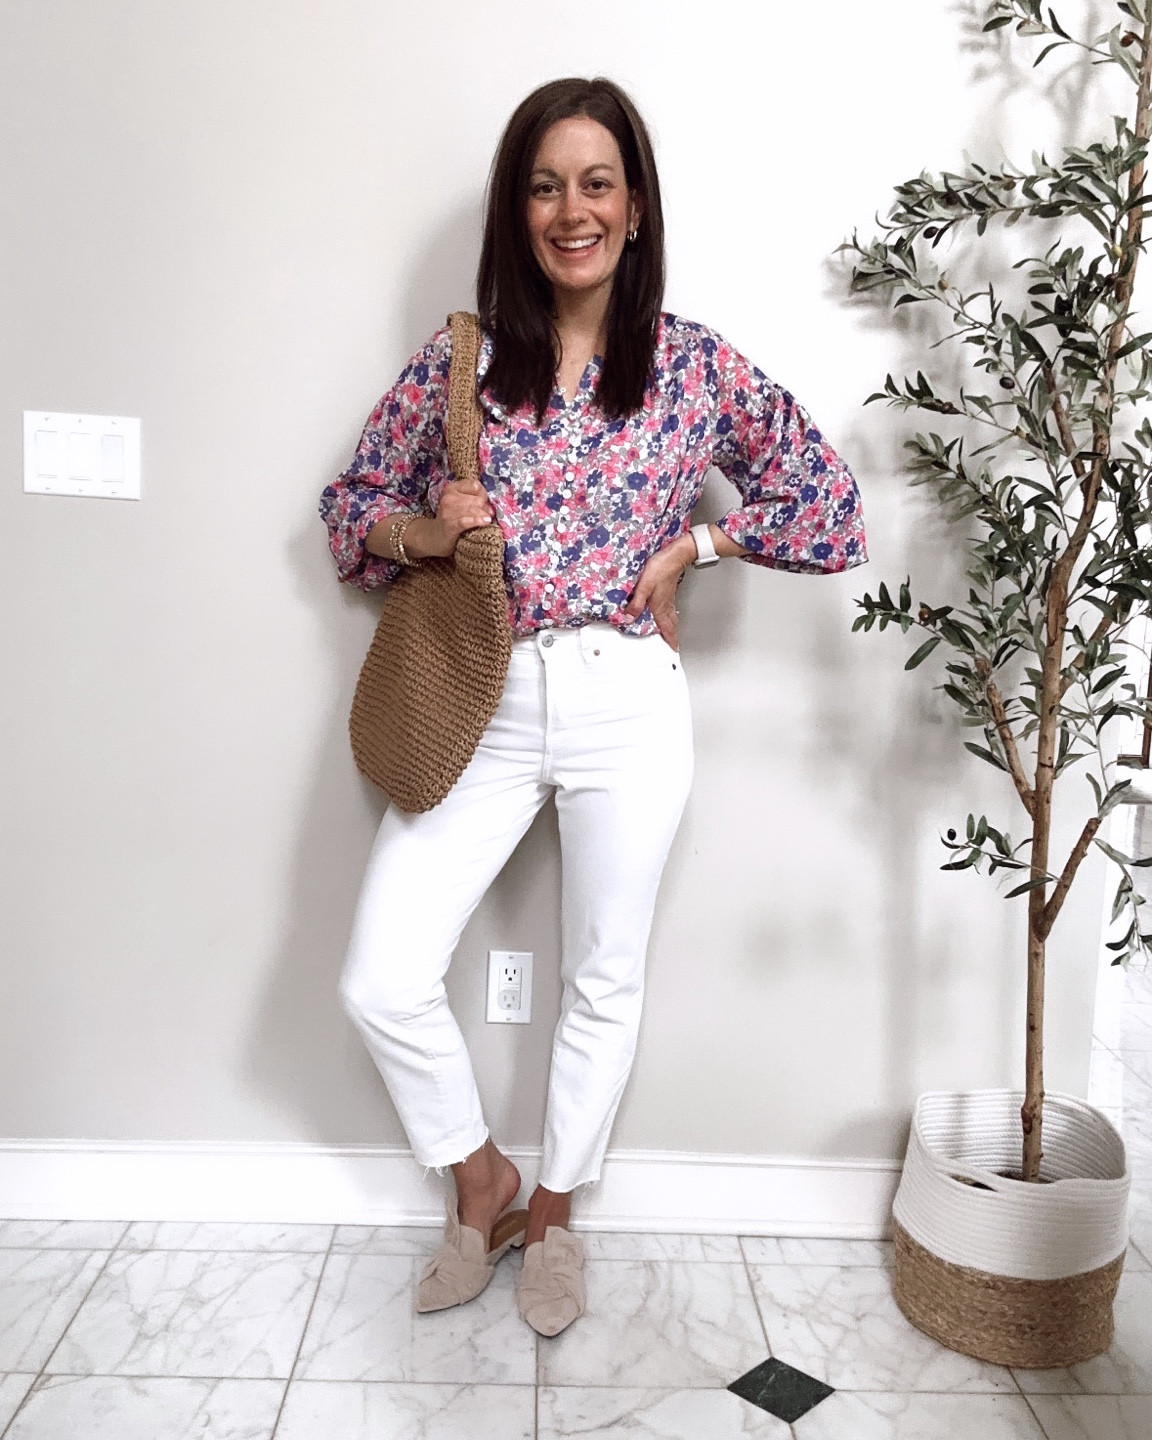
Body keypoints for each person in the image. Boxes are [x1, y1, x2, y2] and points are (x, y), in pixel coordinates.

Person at [320, 76, 866, 1337]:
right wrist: (425, 528)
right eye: (545, 185)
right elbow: (349, 509)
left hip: (628, 697)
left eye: (597, 183)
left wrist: (699, 548)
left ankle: (557, 1215)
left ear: (635, 204)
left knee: (604, 977)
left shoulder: (691, 364)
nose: (573, 210)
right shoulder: (461, 363)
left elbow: (832, 507)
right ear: (517, 211)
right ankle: (483, 1183)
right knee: (382, 975)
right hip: (483, 692)